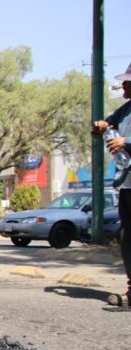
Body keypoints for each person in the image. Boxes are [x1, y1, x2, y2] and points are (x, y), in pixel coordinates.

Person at [93, 62, 131, 307]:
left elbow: (123, 140)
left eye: (127, 81)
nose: (123, 85)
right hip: (128, 185)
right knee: (127, 236)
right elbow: (105, 127)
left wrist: (126, 141)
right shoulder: (125, 110)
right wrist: (101, 127)